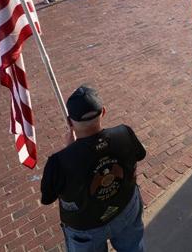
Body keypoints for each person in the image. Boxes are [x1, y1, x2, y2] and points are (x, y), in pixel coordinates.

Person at [40, 86, 147, 252]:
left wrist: (69, 151)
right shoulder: (124, 133)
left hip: (85, 227)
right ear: (103, 111)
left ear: (69, 122)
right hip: (125, 208)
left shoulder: (58, 162)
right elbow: (140, 155)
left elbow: (47, 197)